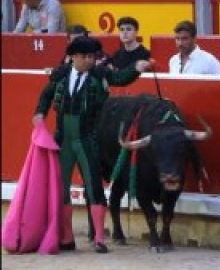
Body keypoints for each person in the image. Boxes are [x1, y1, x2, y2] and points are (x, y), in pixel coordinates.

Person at [32, 36, 154, 253]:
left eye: (92, 56)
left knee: (94, 186)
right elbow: (46, 94)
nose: (90, 60)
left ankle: (99, 237)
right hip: (63, 140)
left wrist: (137, 67)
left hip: (87, 138)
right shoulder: (60, 74)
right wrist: (40, 113)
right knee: (62, 189)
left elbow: (120, 78)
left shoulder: (99, 74)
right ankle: (66, 236)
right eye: (85, 57)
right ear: (73, 57)